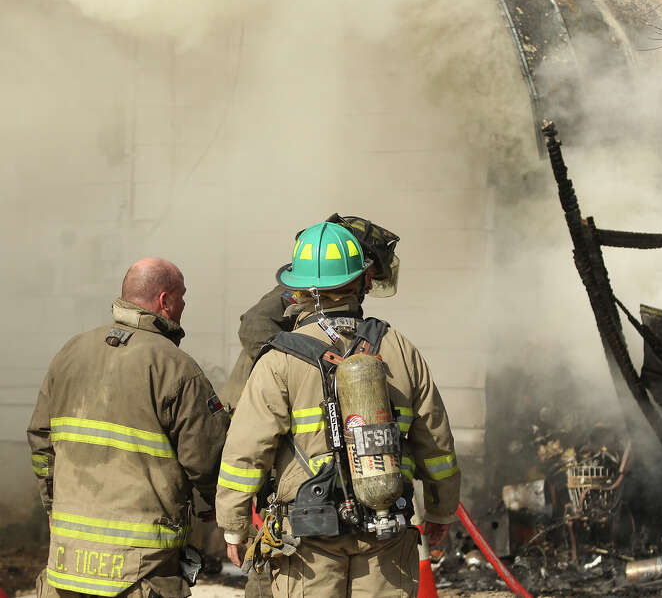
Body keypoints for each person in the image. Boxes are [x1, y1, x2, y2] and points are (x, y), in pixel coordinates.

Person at [216, 222, 460, 598]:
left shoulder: (279, 358)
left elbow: (246, 450)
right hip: (386, 528)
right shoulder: (400, 348)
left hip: (309, 533)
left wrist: (233, 526)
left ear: (297, 288)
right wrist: (442, 511)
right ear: (363, 281)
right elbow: (437, 445)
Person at [27, 257, 230, 598]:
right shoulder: (176, 367)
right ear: (165, 301)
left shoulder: (69, 353)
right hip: (142, 571)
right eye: (182, 296)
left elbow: (40, 442)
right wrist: (218, 508)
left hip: (67, 564)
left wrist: (52, 505)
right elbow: (208, 458)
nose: (184, 305)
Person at [220, 214, 401, 414]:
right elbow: (253, 324)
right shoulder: (305, 291)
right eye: (368, 274)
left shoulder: (330, 300)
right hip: (247, 410)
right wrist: (296, 370)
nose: (368, 286)